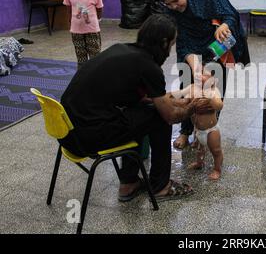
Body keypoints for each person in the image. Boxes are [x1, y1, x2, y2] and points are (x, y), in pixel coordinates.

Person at [58, 14, 203, 202]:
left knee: (140, 113)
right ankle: (160, 186)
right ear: (165, 42)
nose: (171, 50)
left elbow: (142, 99)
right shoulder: (149, 67)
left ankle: (129, 183)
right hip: (87, 138)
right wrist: (193, 106)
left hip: (67, 132)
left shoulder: (121, 50)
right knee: (158, 119)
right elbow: (170, 116)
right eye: (173, 43)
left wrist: (176, 99)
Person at [156, 0, 251, 150]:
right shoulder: (171, 11)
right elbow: (183, 41)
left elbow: (230, 13)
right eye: (169, 4)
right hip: (189, 42)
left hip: (216, 39)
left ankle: (207, 128)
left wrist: (224, 25)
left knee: (214, 86)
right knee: (188, 81)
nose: (174, 7)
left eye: (176, 1)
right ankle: (185, 131)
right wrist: (196, 67)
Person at [174, 58, 224, 180]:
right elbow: (178, 94)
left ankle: (217, 169)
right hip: (198, 129)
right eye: (197, 73)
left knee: (216, 151)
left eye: (203, 74)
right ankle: (199, 162)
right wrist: (171, 97)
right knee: (199, 149)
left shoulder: (213, 91)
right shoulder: (192, 88)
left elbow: (219, 105)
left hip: (211, 130)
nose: (198, 75)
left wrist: (210, 99)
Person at [64, 0, 103, 69]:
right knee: (81, 58)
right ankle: (82, 78)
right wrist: (71, 24)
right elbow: (69, 11)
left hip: (92, 31)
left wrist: (97, 20)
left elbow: (99, 9)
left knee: (95, 56)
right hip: (76, 32)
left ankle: (96, 77)